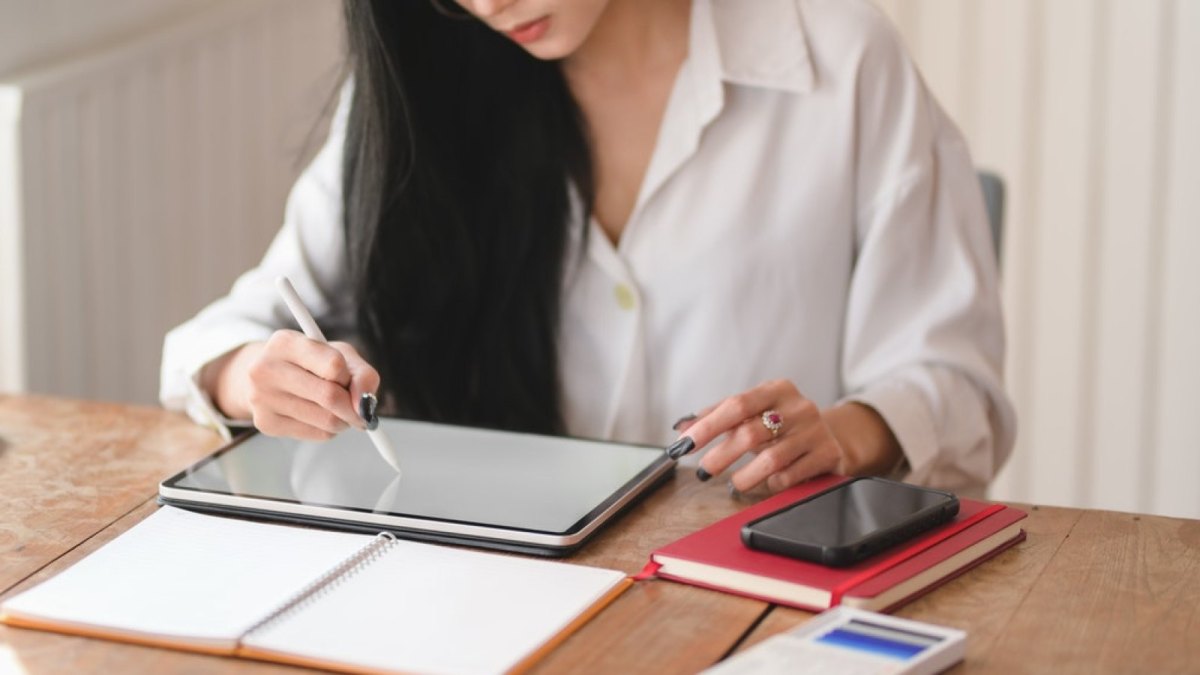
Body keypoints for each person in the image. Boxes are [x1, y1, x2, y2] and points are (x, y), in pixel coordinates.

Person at [160, 0, 1015, 499]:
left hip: (760, 606)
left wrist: (844, 434)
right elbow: (224, 335)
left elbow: (959, 389)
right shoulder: (423, 84)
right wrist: (251, 375)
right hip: (493, 601)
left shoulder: (842, 61)